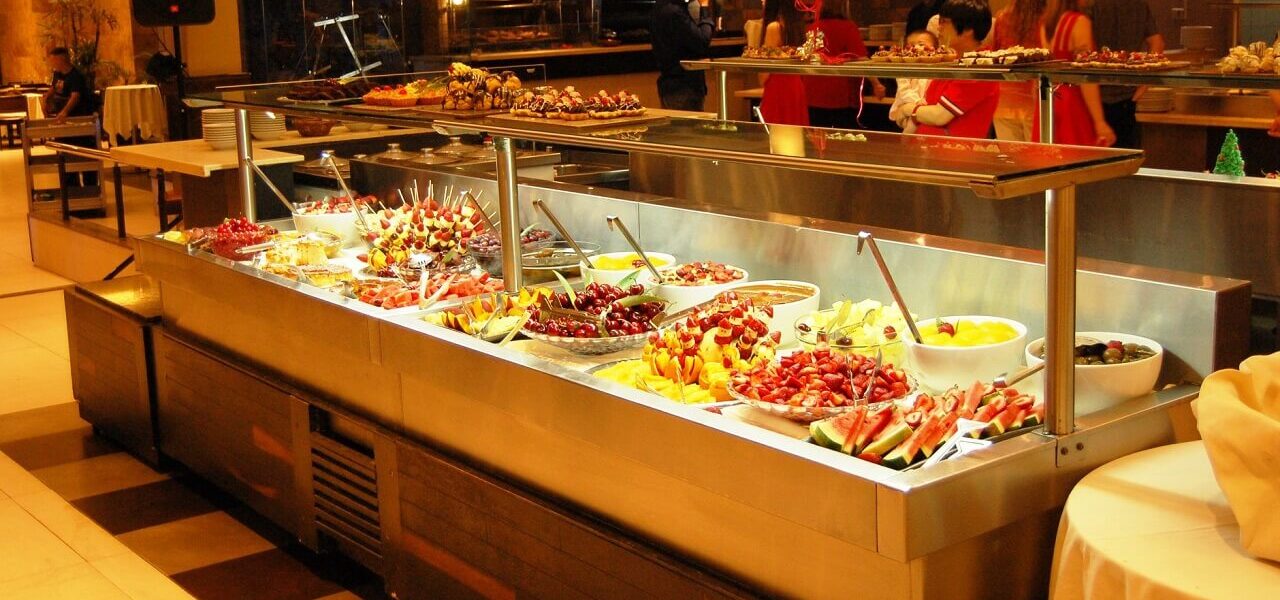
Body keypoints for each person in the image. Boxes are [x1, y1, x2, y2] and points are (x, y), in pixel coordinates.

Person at [906, 0, 1000, 139]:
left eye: (944, 22)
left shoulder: (979, 68)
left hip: (953, 150)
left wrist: (908, 109)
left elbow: (939, 116)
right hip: (931, 147)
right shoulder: (956, 61)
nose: (938, 28)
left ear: (968, 29)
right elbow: (929, 106)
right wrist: (918, 113)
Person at [1089, 0, 1164, 149]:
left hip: (1093, 95)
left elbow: (1082, 50)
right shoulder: (1139, 4)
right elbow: (1158, 43)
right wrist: (1145, 82)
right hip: (1127, 94)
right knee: (1125, 155)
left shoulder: (1090, 4)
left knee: (1093, 157)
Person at [1046, 0, 1116, 146]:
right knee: (1079, 155)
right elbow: (1085, 77)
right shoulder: (1079, 22)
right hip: (1072, 102)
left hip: (1049, 99)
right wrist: (1099, 122)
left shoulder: (1047, 22)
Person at [803, 4, 869, 129]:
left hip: (813, 93)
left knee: (817, 136)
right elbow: (861, 58)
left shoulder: (812, 27)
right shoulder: (848, 27)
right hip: (841, 94)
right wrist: (877, 83)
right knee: (843, 136)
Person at [990, 0, 1048, 141]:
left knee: (1010, 152)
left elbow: (996, 55)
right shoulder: (1045, 20)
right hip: (1034, 97)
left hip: (1004, 98)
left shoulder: (1003, 17)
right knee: (1037, 151)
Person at [651, 0, 716, 111]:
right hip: (684, 86)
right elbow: (702, 41)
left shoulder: (659, 7)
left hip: (669, 84)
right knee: (687, 122)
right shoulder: (675, 12)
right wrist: (705, 9)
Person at [757, 0, 809, 126]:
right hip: (796, 85)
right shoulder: (797, 27)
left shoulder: (774, 27)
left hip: (778, 88)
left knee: (775, 133)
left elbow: (763, 74)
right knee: (795, 132)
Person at [889, 30, 940, 134]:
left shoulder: (935, 67)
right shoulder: (903, 67)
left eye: (921, 44)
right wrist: (917, 102)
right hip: (906, 105)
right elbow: (904, 91)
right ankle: (905, 143)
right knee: (912, 123)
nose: (916, 47)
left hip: (926, 106)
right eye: (911, 45)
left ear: (934, 49)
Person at [42, 47, 94, 125]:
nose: (52, 65)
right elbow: (54, 87)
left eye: (53, 61)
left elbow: (75, 97)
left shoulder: (76, 76)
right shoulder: (57, 73)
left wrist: (64, 112)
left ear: (61, 60)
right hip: (60, 110)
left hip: (74, 114)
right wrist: (46, 98)